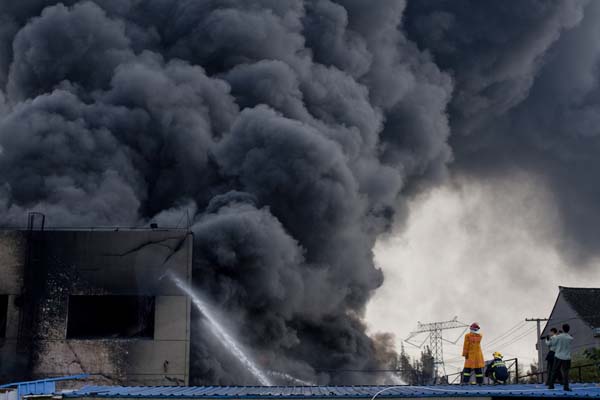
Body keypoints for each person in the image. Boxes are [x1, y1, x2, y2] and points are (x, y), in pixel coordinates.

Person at [547, 323, 573, 391]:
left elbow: (552, 343)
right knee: (566, 372)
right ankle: (566, 387)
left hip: (558, 356)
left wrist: (550, 338)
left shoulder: (558, 337)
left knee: (554, 371)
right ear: (568, 329)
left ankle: (551, 385)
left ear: (562, 328)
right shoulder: (570, 338)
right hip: (567, 357)